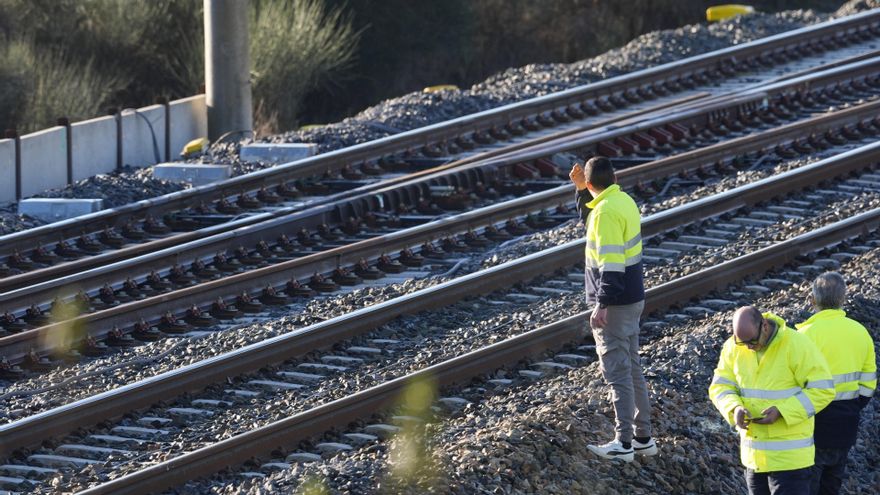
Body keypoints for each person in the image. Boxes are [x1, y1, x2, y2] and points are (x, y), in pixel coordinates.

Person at [570, 157, 654, 462]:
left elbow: (612, 264)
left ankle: (623, 443)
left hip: (615, 304)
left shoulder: (605, 213)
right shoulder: (623, 201)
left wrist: (602, 304)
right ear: (614, 179)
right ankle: (643, 438)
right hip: (633, 297)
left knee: (617, 373)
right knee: (632, 367)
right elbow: (591, 219)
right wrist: (582, 191)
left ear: (592, 182)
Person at [710, 306, 835, 495]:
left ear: (765, 326)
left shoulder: (796, 344)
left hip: (791, 461)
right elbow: (720, 387)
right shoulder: (733, 347)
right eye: (742, 342)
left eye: (752, 341)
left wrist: (783, 411)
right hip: (755, 459)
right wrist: (734, 408)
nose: (748, 347)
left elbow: (823, 389)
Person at [795, 272, 877, 495]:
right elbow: (868, 386)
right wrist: (851, 407)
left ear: (813, 300)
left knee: (808, 485)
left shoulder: (803, 336)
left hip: (812, 425)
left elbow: (791, 384)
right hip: (846, 423)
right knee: (832, 485)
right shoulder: (860, 332)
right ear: (842, 299)